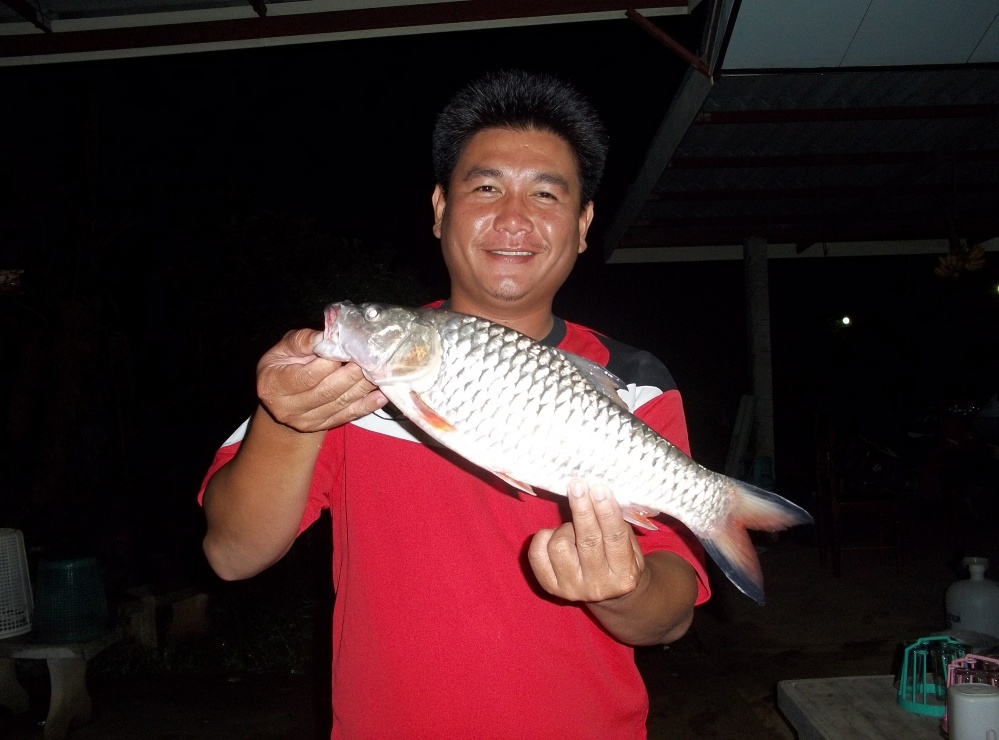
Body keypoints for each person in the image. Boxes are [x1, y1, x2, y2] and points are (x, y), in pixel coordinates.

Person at [199, 69, 710, 739]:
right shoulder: (349, 372)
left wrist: (625, 590)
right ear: (440, 208)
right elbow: (233, 554)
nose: (513, 218)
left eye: (546, 194)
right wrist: (287, 419)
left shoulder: (636, 384)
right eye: (486, 186)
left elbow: (668, 618)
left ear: (583, 224)